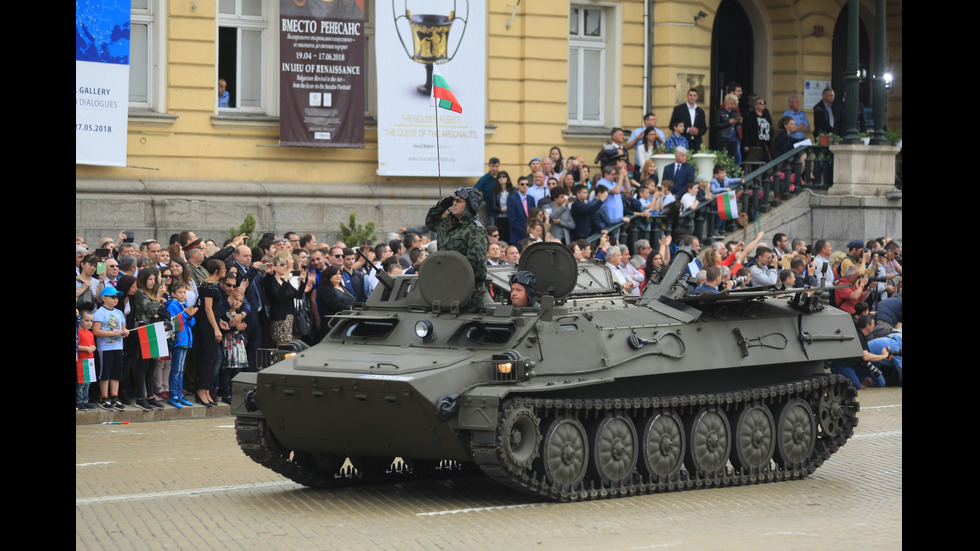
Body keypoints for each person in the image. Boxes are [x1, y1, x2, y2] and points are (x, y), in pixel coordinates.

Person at [426, 187, 490, 313]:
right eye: (454, 200)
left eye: (459, 201)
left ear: (470, 205)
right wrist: (441, 207)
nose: (454, 203)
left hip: (467, 294)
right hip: (444, 286)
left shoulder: (475, 229)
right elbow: (430, 222)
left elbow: (477, 264)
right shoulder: (447, 223)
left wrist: (459, 279)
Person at [92, 286, 130, 411]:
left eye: (117, 297)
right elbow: (96, 331)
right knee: (105, 373)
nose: (115, 299)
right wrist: (114, 333)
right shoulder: (99, 312)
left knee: (116, 373)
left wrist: (125, 332)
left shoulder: (119, 312)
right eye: (113, 297)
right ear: (104, 298)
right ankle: (104, 397)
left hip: (118, 347)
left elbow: (123, 327)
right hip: (105, 348)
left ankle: (114, 396)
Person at [165, 282, 196, 408]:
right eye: (180, 292)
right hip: (178, 340)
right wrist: (186, 314)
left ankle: (180, 394)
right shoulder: (172, 305)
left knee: (180, 370)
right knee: (176, 369)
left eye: (184, 292)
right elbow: (173, 322)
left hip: (186, 340)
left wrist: (189, 316)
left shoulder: (186, 305)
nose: (183, 295)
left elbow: (192, 323)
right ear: (173, 294)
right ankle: (173, 395)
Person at [76, 310, 97, 410]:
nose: (89, 323)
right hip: (81, 360)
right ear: (81, 320)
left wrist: (93, 348)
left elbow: (93, 345)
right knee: (80, 383)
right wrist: (86, 348)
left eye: (91, 321)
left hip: (90, 361)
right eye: (86, 320)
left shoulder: (90, 333)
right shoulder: (78, 332)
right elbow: (77, 346)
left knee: (88, 383)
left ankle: (86, 400)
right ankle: (80, 401)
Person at [742, 95, 773, 162]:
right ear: (755, 105)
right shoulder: (751, 116)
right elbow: (747, 130)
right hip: (755, 143)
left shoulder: (766, 115)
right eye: (760, 103)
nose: (763, 104)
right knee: (755, 161)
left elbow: (771, 128)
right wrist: (746, 144)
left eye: (764, 102)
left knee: (767, 161)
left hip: (766, 143)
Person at [507, 177, 535, 242]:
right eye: (522, 184)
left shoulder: (531, 199)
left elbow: (533, 216)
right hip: (517, 235)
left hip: (530, 235)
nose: (525, 186)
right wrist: (524, 232)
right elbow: (512, 220)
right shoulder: (512, 199)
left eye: (527, 184)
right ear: (518, 185)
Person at [713, 93, 741, 159]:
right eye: (731, 104)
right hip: (724, 138)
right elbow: (716, 125)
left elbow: (736, 124)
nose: (733, 106)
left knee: (732, 158)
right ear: (726, 103)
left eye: (734, 104)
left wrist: (739, 122)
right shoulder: (720, 112)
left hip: (734, 138)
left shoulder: (735, 112)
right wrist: (728, 122)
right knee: (723, 158)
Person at [474, 157, 500, 225]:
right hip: (491, 211)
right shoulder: (484, 179)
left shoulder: (502, 177)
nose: (494, 169)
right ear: (489, 166)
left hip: (503, 211)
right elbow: (475, 190)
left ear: (499, 166)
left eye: (496, 166)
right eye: (492, 166)